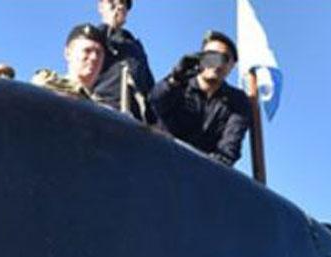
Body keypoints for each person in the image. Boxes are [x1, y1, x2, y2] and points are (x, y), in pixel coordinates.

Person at [151, 31, 252, 166]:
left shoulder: (238, 101)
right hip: (160, 161)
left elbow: (229, 150)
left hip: (201, 172)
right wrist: (175, 79)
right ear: (200, 58)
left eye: (224, 58)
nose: (217, 64)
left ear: (232, 65)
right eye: (211, 56)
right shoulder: (179, 84)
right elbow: (155, 101)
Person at [92, 0, 155, 122]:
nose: (119, 6)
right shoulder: (92, 38)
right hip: (100, 114)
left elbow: (149, 89)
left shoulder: (135, 49)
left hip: (134, 122)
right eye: (112, 2)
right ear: (100, 7)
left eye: (122, 3)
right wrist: (109, 25)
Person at [32, 24, 108, 101]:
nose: (94, 57)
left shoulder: (101, 106)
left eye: (98, 53)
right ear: (68, 53)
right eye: (87, 51)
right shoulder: (48, 85)